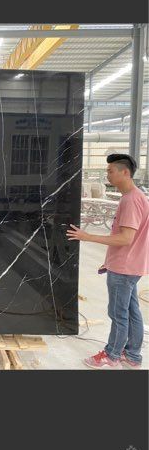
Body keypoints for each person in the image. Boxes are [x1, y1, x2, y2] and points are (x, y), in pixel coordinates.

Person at [66, 153, 149, 369]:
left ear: (125, 172)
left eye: (111, 171)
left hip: (124, 268)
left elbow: (126, 238)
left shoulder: (131, 200)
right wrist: (109, 260)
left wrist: (87, 236)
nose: (107, 175)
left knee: (118, 314)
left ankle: (112, 355)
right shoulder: (135, 196)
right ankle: (132, 356)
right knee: (131, 311)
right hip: (129, 265)